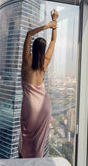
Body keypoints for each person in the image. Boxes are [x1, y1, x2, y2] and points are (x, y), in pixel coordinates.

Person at [18, 9, 59, 158]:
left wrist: (47, 26)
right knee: (38, 145)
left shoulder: (26, 61)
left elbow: (29, 34)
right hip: (44, 107)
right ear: (43, 50)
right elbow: (54, 41)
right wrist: (55, 23)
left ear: (33, 49)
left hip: (30, 107)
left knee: (25, 138)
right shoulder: (44, 64)